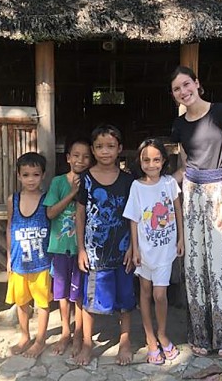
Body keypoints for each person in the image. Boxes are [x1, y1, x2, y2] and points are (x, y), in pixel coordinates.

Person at [170, 66, 222, 360]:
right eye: (177, 89)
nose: (183, 91)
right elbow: (186, 164)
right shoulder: (180, 124)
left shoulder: (221, 112)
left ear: (197, 84)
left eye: (186, 84)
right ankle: (200, 335)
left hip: (220, 191)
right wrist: (159, 185)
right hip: (191, 193)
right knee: (196, 265)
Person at [74, 125, 135, 366]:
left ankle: (126, 342)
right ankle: (88, 344)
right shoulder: (86, 179)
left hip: (123, 252)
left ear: (119, 148)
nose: (105, 151)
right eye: (99, 147)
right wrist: (80, 248)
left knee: (126, 301)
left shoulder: (128, 181)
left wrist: (133, 247)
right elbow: (80, 215)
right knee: (90, 302)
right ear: (93, 149)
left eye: (110, 146)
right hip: (94, 253)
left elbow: (134, 216)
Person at [123, 138, 184, 365]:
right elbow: (134, 220)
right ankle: (150, 338)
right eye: (146, 160)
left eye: (156, 160)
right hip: (144, 252)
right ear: (140, 161)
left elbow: (177, 210)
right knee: (145, 293)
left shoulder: (169, 184)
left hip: (166, 250)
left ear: (163, 161)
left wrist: (181, 238)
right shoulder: (136, 187)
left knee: (160, 295)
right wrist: (135, 249)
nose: (151, 164)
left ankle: (162, 333)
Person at [43, 137, 92, 356]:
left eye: (86, 156)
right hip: (60, 246)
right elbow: (51, 212)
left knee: (79, 293)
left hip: (81, 248)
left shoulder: (91, 181)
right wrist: (72, 193)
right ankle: (65, 332)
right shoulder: (58, 182)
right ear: (68, 158)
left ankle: (80, 334)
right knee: (62, 294)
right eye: (76, 155)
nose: (80, 160)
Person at [5, 152, 52, 358]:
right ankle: (24, 336)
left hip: (41, 262)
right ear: (18, 176)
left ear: (43, 175)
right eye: (26, 175)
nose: (31, 179)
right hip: (18, 262)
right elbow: (9, 227)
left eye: (35, 174)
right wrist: (8, 257)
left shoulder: (47, 200)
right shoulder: (12, 200)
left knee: (42, 303)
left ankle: (40, 340)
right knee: (21, 302)